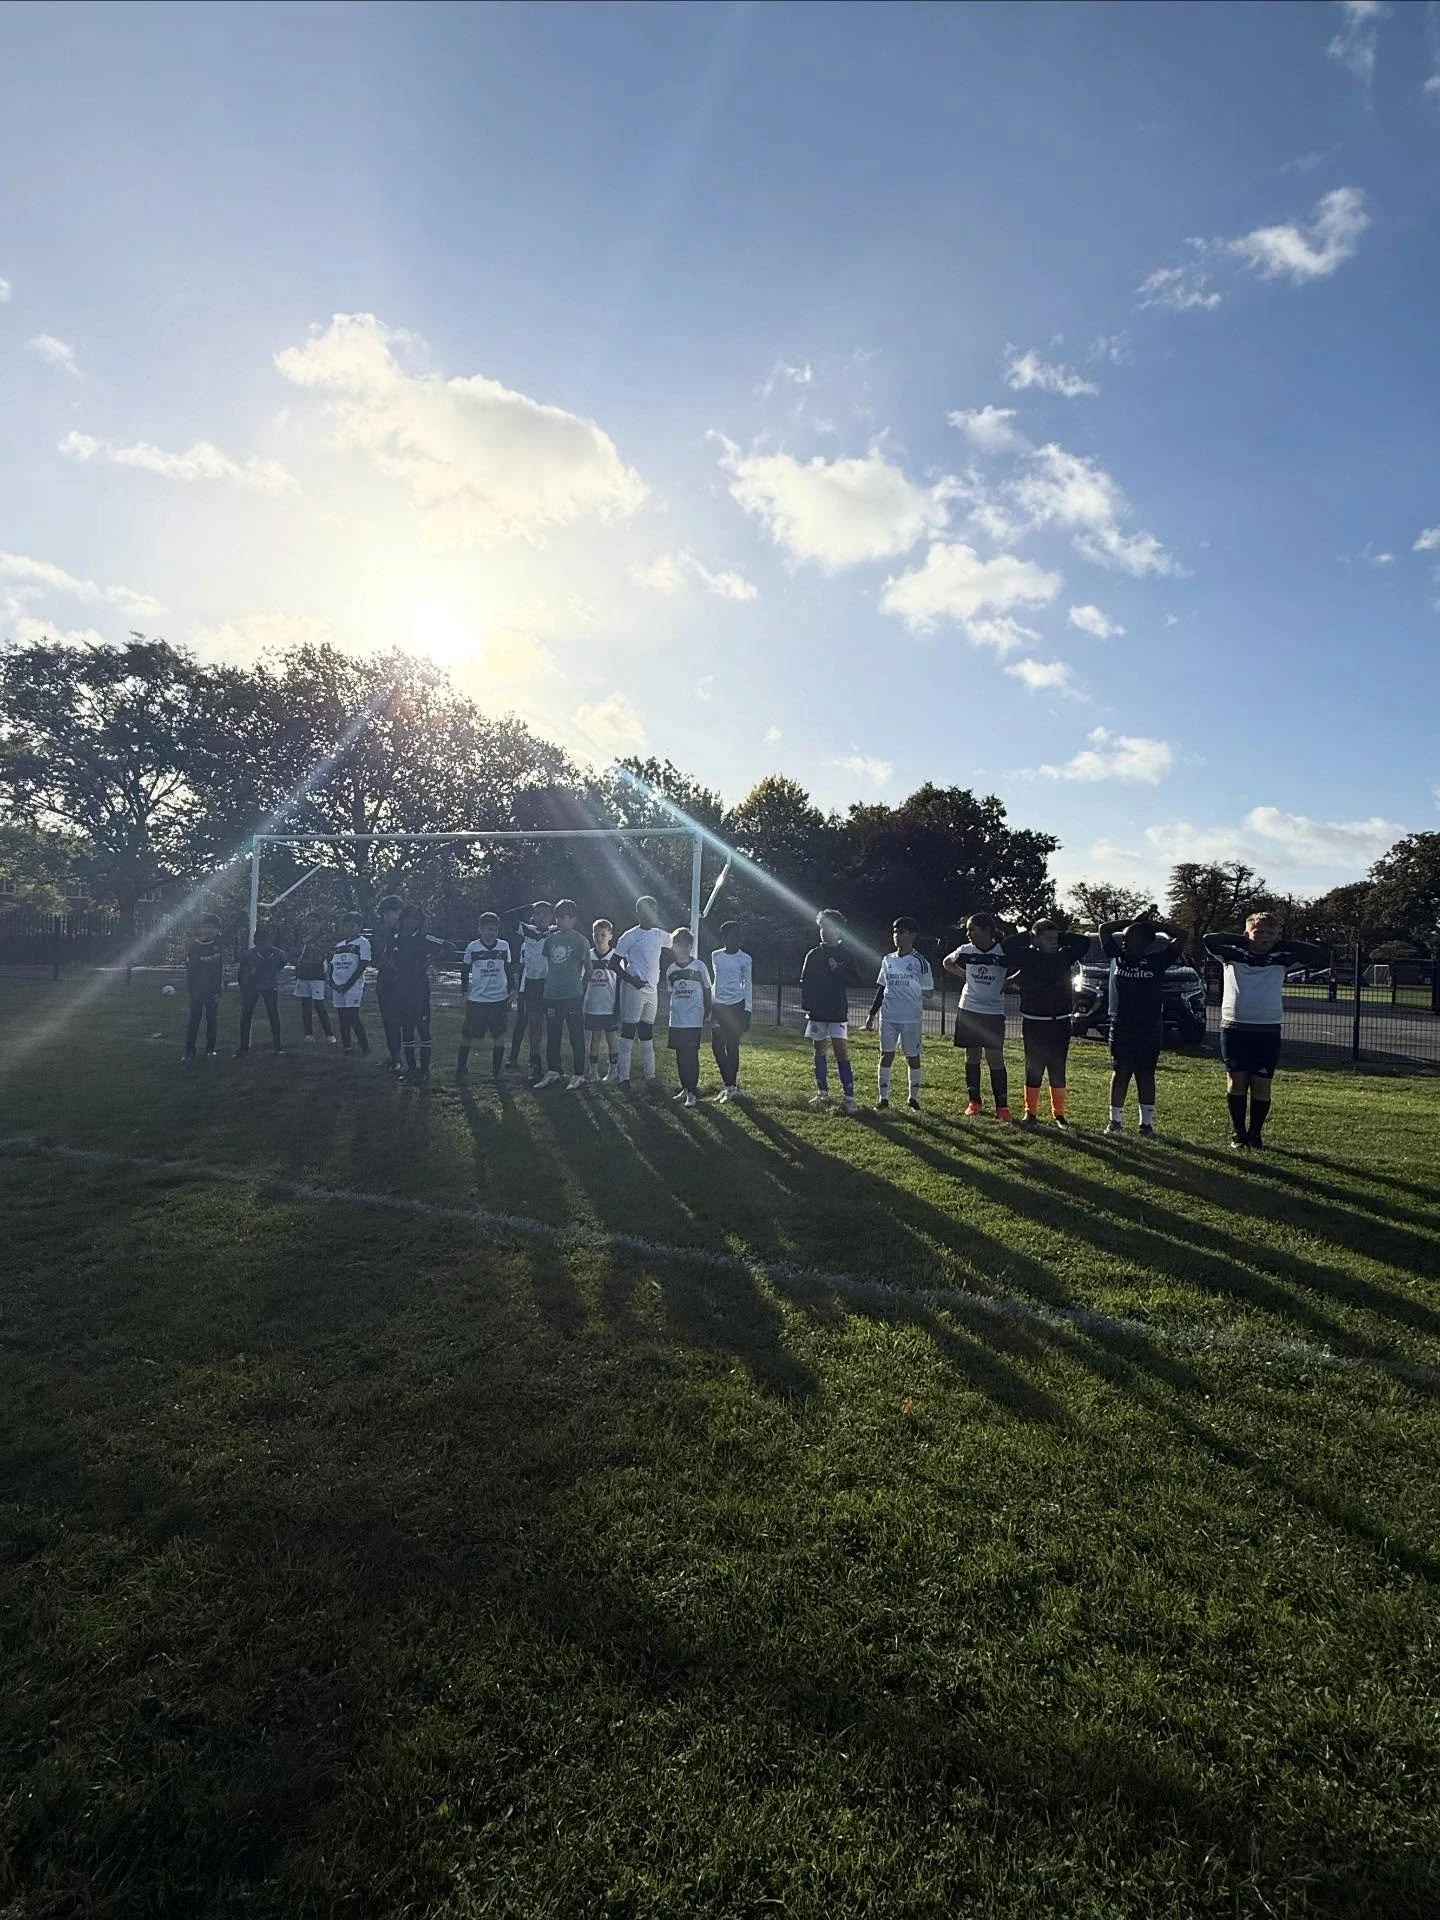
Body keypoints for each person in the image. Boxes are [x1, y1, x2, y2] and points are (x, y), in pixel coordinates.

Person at [1203, 913, 1327, 1149]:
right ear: (1247, 934)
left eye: (1270, 933)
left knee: (1261, 1083)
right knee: (1236, 1081)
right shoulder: (1231, 955)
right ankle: (1239, 1134)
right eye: (1259, 932)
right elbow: (1210, 940)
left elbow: (1315, 952)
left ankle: (1255, 1134)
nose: (1265, 937)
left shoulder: (1281, 958)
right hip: (1235, 1026)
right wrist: (1243, 942)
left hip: (1267, 1029)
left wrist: (1278, 944)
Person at [1098, 915, 1189, 1137]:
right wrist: (1130, 922)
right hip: (1121, 1025)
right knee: (1120, 1072)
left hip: (1149, 1027)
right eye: (1127, 939)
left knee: (1145, 1074)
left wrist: (1155, 926)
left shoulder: (1158, 960)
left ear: (1147, 944)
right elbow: (1104, 929)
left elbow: (1183, 936)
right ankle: (1115, 1122)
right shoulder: (1116, 956)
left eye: (1137, 940)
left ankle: (1146, 1124)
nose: (1128, 944)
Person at [1002, 919, 1092, 1128]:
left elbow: (1084, 942)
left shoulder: (1064, 955)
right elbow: (1007, 946)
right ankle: (1030, 1112)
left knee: (1057, 1067)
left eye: (1056, 938)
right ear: (1036, 940)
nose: (1053, 942)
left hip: (1060, 1021)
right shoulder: (1028, 956)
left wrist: (1060, 935)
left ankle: (1059, 1113)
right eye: (1048, 939)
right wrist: (1031, 935)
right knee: (1033, 1068)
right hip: (1035, 1021)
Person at [943, 913, 1013, 1120]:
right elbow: (947, 962)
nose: (969, 934)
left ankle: (1002, 1106)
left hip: (993, 1013)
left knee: (995, 1058)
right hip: (969, 1009)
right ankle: (974, 1102)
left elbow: (1026, 968)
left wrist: (1008, 982)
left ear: (986, 930)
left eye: (972, 929)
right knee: (972, 1055)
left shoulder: (1003, 951)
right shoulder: (966, 950)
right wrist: (964, 975)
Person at [864, 916, 933, 1110]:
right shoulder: (888, 960)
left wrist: (913, 985)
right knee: (886, 1055)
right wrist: (872, 1014)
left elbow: (929, 992)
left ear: (912, 935)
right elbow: (881, 988)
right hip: (889, 1017)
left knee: (913, 1057)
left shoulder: (920, 961)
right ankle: (883, 1098)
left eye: (901, 932)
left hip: (911, 1018)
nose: (897, 936)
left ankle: (913, 1098)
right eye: (895, 932)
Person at [800, 909, 860, 1113]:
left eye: (829, 928)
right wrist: (807, 1004)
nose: (825, 932)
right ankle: (822, 1092)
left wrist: (838, 970)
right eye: (822, 928)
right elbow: (804, 981)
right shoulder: (813, 954)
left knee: (841, 1052)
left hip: (837, 1011)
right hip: (817, 1011)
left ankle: (849, 1097)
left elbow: (856, 980)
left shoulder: (846, 955)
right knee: (819, 1050)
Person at [614, 895, 673, 1090]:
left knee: (646, 1032)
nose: (650, 915)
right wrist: (632, 980)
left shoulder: (659, 935)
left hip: (652, 991)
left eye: (653, 911)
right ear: (638, 913)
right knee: (628, 1032)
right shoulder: (630, 936)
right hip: (634, 990)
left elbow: (676, 939)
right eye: (645, 911)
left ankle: (651, 1076)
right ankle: (623, 1078)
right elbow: (614, 963)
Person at [387, 902, 446, 1081]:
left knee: (422, 1027)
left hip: (419, 989)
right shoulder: (396, 938)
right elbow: (386, 955)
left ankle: (424, 1069)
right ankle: (410, 1068)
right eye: (408, 917)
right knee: (406, 1028)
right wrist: (396, 969)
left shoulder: (422, 937)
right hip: (401, 989)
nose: (411, 921)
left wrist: (428, 962)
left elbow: (447, 946)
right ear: (402, 919)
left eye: (416, 918)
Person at [536, 899, 590, 1090]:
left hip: (572, 996)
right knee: (553, 1034)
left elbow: (588, 969)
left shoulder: (580, 940)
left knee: (576, 1035)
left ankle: (578, 1074)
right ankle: (553, 1071)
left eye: (564, 917)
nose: (560, 921)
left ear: (573, 919)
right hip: (551, 995)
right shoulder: (550, 940)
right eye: (558, 917)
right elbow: (547, 965)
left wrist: (580, 989)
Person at [458, 910, 514, 1080]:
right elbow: (464, 969)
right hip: (477, 999)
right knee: (468, 1034)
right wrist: (464, 990)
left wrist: (512, 989)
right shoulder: (472, 947)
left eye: (494, 930)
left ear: (498, 931)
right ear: (480, 930)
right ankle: (461, 1067)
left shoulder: (504, 946)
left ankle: (497, 1072)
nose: (490, 933)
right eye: (487, 929)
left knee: (499, 1035)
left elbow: (509, 969)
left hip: (498, 998)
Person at [664, 928, 712, 1108]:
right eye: (678, 945)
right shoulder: (671, 970)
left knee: (691, 1055)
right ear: (673, 947)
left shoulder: (699, 966)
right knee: (680, 1055)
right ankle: (684, 1087)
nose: (682, 949)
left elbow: (707, 990)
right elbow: (672, 993)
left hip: (693, 1019)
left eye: (686, 945)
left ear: (691, 947)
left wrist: (707, 1012)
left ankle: (692, 1092)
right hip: (676, 1020)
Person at [506, 900, 553, 1082]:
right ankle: (534, 1063)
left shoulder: (556, 932)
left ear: (551, 916)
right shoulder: (527, 930)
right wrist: (527, 906)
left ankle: (553, 1064)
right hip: (530, 984)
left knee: (550, 1026)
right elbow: (508, 918)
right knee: (529, 1023)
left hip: (549, 984)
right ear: (532, 916)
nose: (541, 917)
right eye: (537, 913)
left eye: (546, 913)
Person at [582, 919, 632, 1083]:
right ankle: (594, 1072)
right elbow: (582, 979)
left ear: (610, 936)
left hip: (610, 1005)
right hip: (592, 1004)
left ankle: (613, 1071)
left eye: (603, 934)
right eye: (596, 934)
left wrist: (620, 1004)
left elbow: (621, 981)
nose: (599, 938)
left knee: (612, 1039)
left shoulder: (616, 957)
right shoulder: (588, 955)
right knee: (594, 1038)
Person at [709, 921, 753, 1102]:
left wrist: (748, 1010)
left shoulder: (745, 959)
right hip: (719, 1006)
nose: (738, 939)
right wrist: (711, 1004)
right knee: (717, 1046)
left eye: (739, 935)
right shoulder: (716, 956)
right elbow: (716, 980)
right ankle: (728, 1084)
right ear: (724, 937)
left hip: (736, 1006)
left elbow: (748, 984)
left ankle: (731, 1087)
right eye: (734, 935)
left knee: (732, 1045)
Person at [234, 923, 287, 1056]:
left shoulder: (277, 953)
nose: (263, 944)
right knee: (247, 1015)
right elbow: (241, 973)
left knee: (273, 1014)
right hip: (252, 987)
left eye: (266, 940)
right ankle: (244, 1047)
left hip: (269, 986)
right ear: (255, 941)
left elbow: (282, 963)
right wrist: (244, 987)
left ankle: (278, 1045)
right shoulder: (249, 955)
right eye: (260, 941)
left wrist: (273, 973)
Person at [182, 914, 225, 1061]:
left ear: (217, 930)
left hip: (213, 991)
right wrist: (192, 989)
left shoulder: (218, 944)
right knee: (194, 1020)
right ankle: (189, 1051)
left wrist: (245, 911)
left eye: (211, 927)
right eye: (205, 927)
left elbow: (234, 928)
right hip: (197, 991)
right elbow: (191, 970)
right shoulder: (194, 947)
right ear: (199, 929)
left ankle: (210, 1049)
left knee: (212, 1020)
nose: (208, 930)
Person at [328, 912, 373, 1054]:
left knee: (352, 1015)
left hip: (352, 986)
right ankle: (347, 1046)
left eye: (352, 926)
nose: (349, 929)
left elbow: (362, 965)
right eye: (346, 926)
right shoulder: (339, 945)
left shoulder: (363, 943)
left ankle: (364, 1046)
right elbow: (332, 965)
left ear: (359, 927)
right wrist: (332, 982)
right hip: (338, 985)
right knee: (342, 1016)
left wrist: (347, 985)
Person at [371, 895, 405, 1072]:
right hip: (385, 982)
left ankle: (402, 1060)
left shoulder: (407, 934)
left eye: (389, 913)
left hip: (400, 984)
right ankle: (394, 1056)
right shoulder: (386, 933)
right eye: (384, 914)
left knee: (401, 1021)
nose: (386, 918)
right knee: (388, 1021)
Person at [291, 913, 335, 1043]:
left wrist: (310, 941)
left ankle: (329, 1034)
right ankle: (309, 1034)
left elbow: (323, 952)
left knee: (319, 1004)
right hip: (303, 973)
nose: (312, 924)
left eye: (314, 921)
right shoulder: (301, 936)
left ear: (320, 923)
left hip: (317, 974)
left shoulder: (325, 936)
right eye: (309, 921)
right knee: (306, 1005)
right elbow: (295, 951)